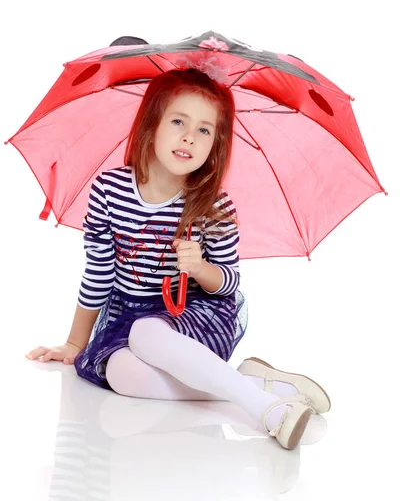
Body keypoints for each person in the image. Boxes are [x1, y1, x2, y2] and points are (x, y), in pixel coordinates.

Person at [26, 67, 330, 450]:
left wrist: (201, 268)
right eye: (178, 121)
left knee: (147, 332)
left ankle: (268, 410)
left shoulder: (213, 206)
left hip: (196, 314)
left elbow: (229, 282)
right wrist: (74, 342)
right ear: (152, 124)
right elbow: (99, 272)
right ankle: (253, 385)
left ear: (215, 144)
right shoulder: (108, 191)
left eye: (205, 129)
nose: (189, 135)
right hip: (126, 314)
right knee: (122, 375)